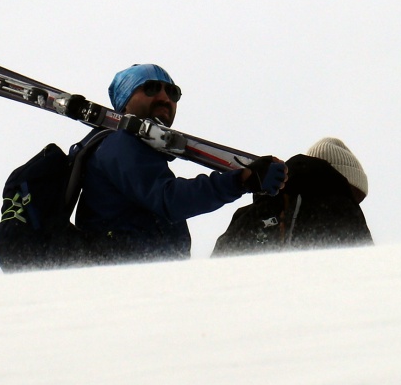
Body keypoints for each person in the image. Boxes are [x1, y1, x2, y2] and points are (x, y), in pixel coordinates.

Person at [76, 63, 286, 263]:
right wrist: (240, 181)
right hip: (121, 278)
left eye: (172, 92)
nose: (164, 98)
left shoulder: (135, 152)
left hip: (140, 278)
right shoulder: (118, 144)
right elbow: (170, 199)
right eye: (151, 88)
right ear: (125, 98)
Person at [213, 137, 373, 255]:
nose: (355, 203)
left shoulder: (251, 213)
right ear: (339, 180)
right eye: (353, 195)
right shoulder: (340, 209)